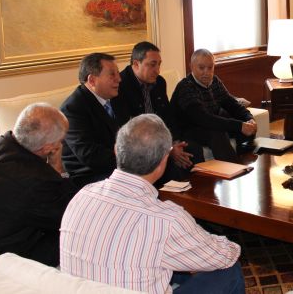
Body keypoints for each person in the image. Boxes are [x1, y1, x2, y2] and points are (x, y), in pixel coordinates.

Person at [60, 114, 244, 294]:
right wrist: (223, 244)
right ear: (164, 159)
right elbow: (224, 257)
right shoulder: (166, 219)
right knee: (229, 270)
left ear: (116, 150)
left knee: (172, 261)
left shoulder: (81, 195)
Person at [0, 103, 76, 266]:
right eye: (60, 141)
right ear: (49, 148)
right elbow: (72, 214)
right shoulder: (38, 180)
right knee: (77, 233)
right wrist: (57, 169)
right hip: (3, 258)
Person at [119, 41, 200, 181]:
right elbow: (129, 131)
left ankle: (197, 190)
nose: (157, 70)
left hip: (161, 138)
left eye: (159, 64)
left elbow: (168, 116)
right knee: (171, 165)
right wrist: (168, 149)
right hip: (140, 144)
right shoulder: (121, 85)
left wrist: (175, 142)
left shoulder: (159, 82)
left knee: (193, 149)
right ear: (136, 64)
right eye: (152, 65)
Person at [171, 49, 257, 163]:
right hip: (189, 129)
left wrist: (249, 119)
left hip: (209, 123)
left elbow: (232, 104)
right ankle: (234, 168)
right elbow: (203, 118)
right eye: (201, 68)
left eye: (210, 67)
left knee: (246, 126)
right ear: (191, 66)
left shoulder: (215, 81)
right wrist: (239, 125)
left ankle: (246, 161)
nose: (206, 72)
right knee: (217, 132)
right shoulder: (185, 87)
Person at [61, 52, 130, 187]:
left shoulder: (115, 98)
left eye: (118, 73)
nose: (119, 79)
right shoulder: (72, 109)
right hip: (90, 175)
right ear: (92, 80)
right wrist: (130, 158)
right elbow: (88, 154)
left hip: (118, 165)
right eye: (112, 74)